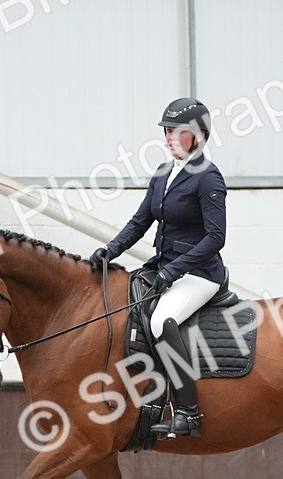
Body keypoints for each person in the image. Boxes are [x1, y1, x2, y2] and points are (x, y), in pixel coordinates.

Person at [89, 98, 227, 439]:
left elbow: (215, 238)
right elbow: (140, 221)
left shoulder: (208, 178)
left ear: (198, 136)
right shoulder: (164, 173)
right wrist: (111, 250)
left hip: (200, 274)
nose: (168, 137)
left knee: (161, 320)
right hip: (164, 267)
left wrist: (174, 270)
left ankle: (188, 412)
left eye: (176, 132)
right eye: (166, 131)